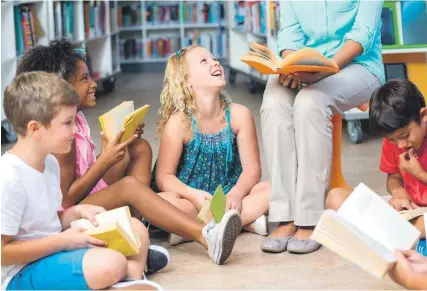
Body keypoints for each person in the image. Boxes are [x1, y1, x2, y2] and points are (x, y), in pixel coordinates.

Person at [16, 38, 243, 266]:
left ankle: (136, 227)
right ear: (60, 88)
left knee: (138, 147)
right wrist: (104, 161)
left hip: (83, 194)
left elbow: (82, 173)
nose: (93, 84)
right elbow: (66, 200)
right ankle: (205, 236)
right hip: (68, 214)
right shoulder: (61, 138)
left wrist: (111, 148)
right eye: (84, 79)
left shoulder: (76, 119)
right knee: (129, 187)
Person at [1, 72, 162, 290]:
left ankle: (131, 279)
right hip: (21, 272)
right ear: (35, 129)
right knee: (111, 262)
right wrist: (64, 241)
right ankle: (127, 275)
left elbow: (47, 221)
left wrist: (75, 213)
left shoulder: (49, 163)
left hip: (55, 251)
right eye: (68, 123)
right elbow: (3, 253)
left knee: (137, 229)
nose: (76, 130)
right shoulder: (9, 177)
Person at [260, 1, 385, 254]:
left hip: (358, 66)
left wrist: (326, 70)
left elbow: (363, 33)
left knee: (311, 102)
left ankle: (310, 216)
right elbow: (289, 34)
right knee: (274, 102)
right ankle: (285, 216)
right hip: (306, 67)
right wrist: (291, 65)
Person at [151, 45, 270, 245]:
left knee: (276, 189)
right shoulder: (179, 123)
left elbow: (252, 170)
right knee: (161, 202)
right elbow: (164, 177)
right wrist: (192, 195)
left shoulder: (239, 115)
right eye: (204, 61)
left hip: (231, 196)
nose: (215, 63)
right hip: (192, 200)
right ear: (187, 81)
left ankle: (191, 229)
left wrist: (237, 193)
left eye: (214, 58)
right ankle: (241, 222)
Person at [326, 79, 426, 239]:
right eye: (392, 139)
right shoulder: (393, 139)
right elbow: (393, 177)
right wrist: (398, 191)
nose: (400, 144)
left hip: (423, 218)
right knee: (335, 198)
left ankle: (385, 233)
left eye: (404, 135)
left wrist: (420, 174)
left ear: (423, 115)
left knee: (418, 224)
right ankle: (394, 233)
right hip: (410, 210)